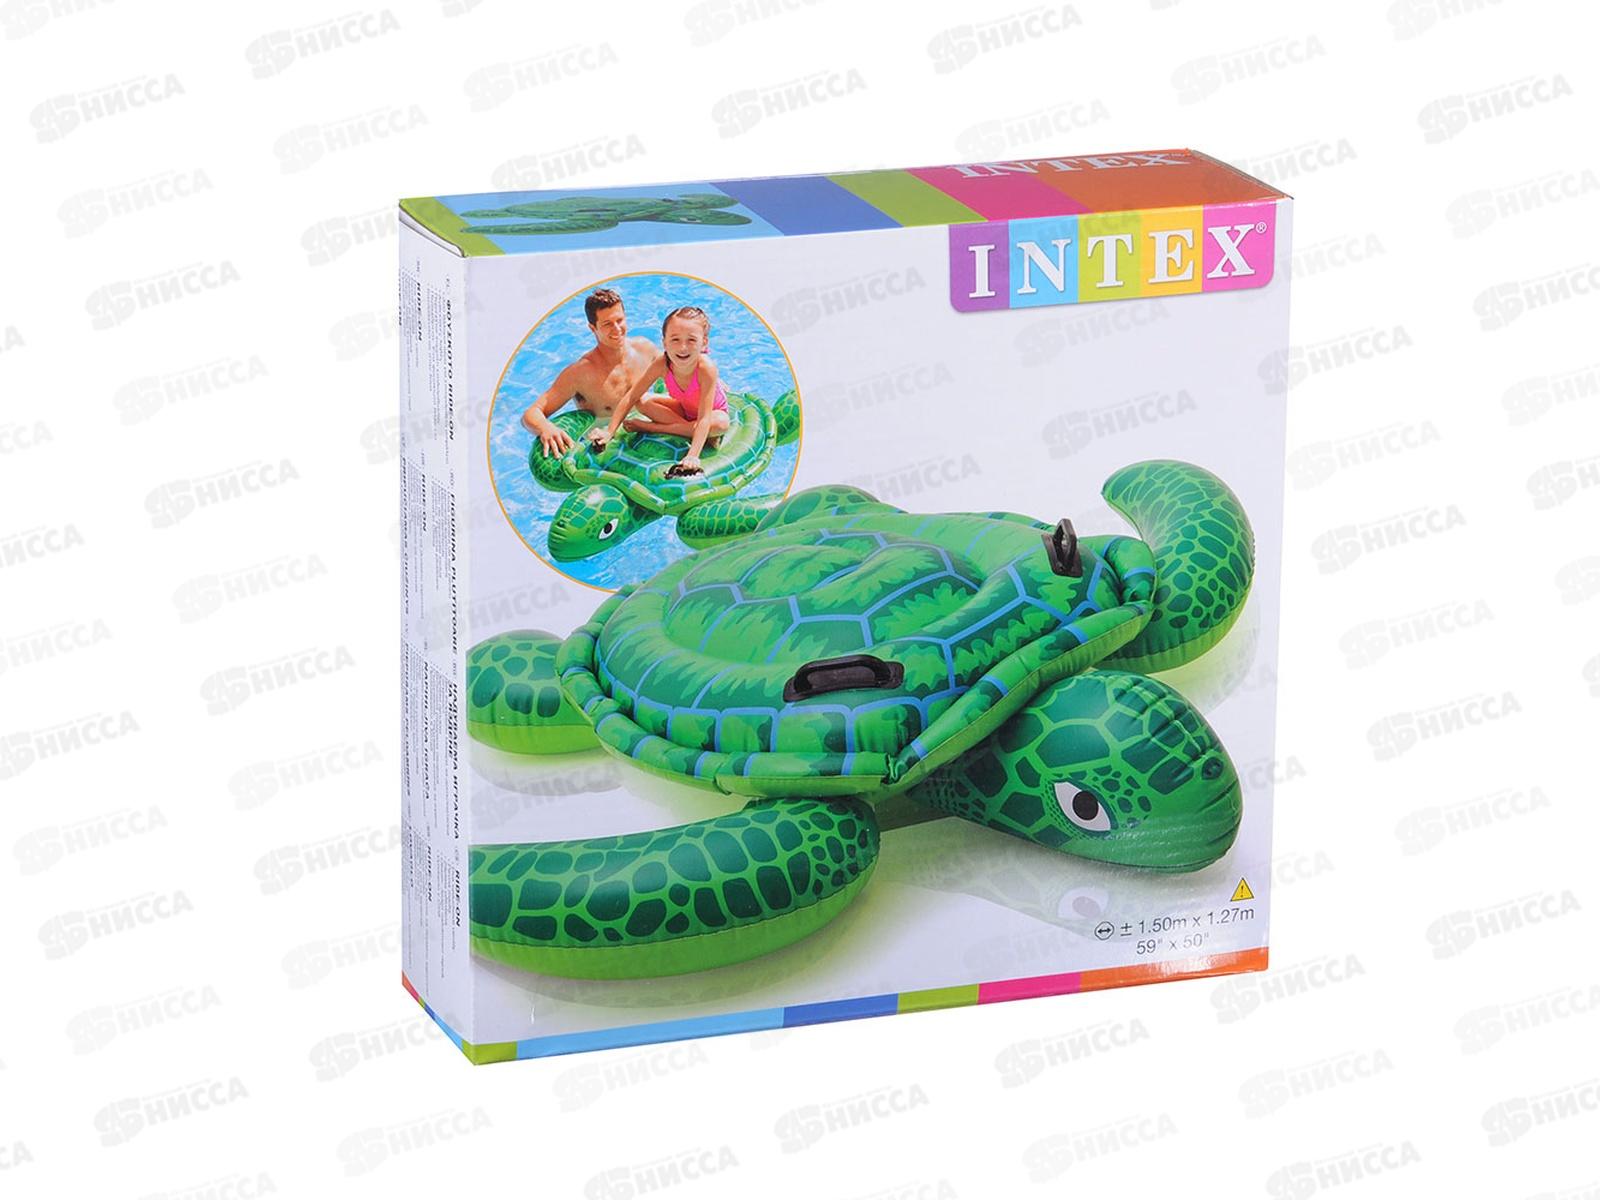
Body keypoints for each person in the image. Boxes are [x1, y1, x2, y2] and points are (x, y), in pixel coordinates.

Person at [587, 306, 729, 476]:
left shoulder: (706, 368)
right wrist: (609, 432)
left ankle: (655, 428)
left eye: (691, 340)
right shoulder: (662, 363)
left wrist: (692, 456)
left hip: (711, 415)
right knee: (642, 401)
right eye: (675, 340)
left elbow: (704, 418)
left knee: (721, 423)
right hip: (683, 411)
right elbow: (632, 396)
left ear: (704, 342)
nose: (683, 348)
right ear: (664, 342)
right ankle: (688, 430)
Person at [519, 288, 659, 457]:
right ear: (593, 328)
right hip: (607, 449)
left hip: (646, 434)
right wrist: (546, 428)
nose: (617, 329)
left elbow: (677, 372)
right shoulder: (580, 373)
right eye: (607, 324)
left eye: (619, 320)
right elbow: (531, 414)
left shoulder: (645, 349)